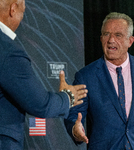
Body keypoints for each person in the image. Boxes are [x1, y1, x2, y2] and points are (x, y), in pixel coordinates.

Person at [65, 12, 134, 150]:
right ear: (101, 39)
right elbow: (74, 116)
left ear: (130, 41)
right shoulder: (86, 76)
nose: (111, 40)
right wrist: (75, 130)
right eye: (106, 34)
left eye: (118, 35)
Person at [0, 0, 87, 149]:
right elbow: (41, 104)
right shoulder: (8, 51)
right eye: (23, 8)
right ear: (13, 9)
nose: (24, 14)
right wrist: (68, 97)